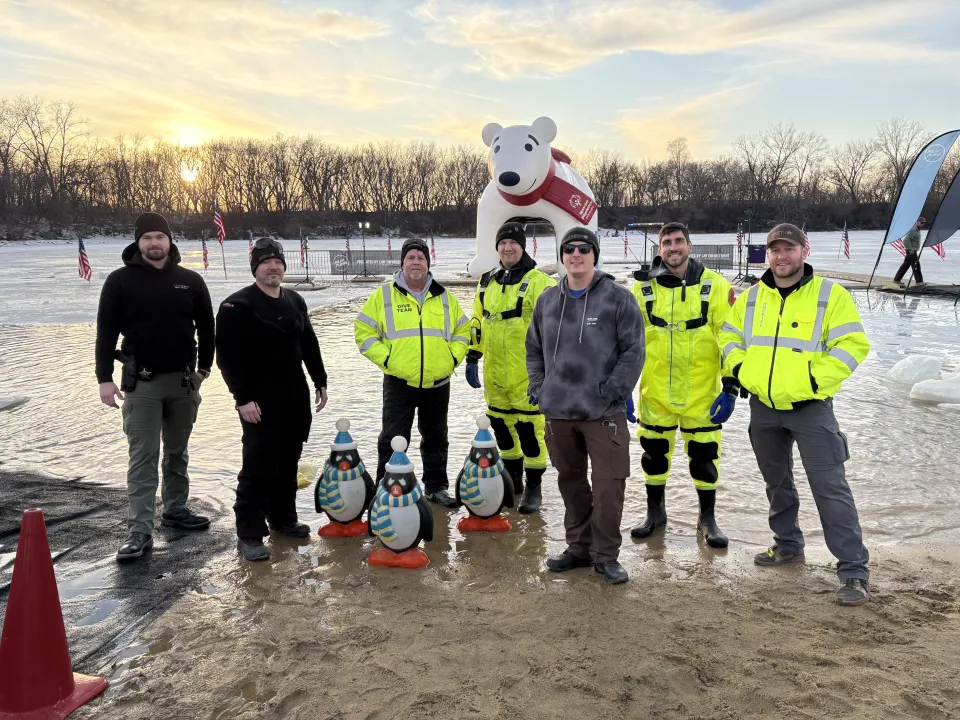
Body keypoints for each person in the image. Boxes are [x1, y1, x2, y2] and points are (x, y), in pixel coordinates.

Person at [719, 223, 871, 606]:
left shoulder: (829, 295)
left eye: (788, 248)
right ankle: (787, 544)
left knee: (830, 488)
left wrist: (811, 379)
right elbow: (728, 336)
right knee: (777, 483)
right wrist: (742, 370)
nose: (781, 256)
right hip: (764, 408)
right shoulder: (751, 298)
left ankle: (853, 571)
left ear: (804, 251)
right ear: (768, 255)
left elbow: (853, 344)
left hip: (811, 408)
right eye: (775, 249)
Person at [526, 227, 645, 584]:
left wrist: (612, 392)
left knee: (609, 486)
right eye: (569, 249)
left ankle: (606, 555)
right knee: (571, 482)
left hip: (603, 413)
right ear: (562, 256)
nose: (575, 254)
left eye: (583, 248)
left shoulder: (618, 298)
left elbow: (634, 351)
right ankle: (578, 548)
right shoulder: (547, 300)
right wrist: (540, 387)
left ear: (594, 254)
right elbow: (533, 349)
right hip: (558, 412)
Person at [95, 212, 215, 561]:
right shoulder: (120, 281)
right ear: (138, 242)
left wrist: (203, 370)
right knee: (143, 456)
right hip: (142, 384)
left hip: (183, 382)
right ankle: (140, 531)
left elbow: (207, 329)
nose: (154, 243)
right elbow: (106, 332)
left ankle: (176, 509)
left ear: (169, 240)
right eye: (147, 238)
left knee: (177, 451)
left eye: (160, 237)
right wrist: (104, 378)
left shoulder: (190, 281)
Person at [216, 238, 329, 561]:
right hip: (258, 399)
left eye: (277, 262)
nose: (273, 267)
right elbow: (227, 358)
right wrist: (242, 399)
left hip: (294, 394)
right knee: (258, 463)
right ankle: (249, 533)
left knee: (288, 460)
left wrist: (320, 380)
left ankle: (282, 518)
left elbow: (309, 343)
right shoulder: (236, 306)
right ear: (255, 268)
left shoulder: (295, 300)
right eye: (265, 262)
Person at [628, 222, 734, 548]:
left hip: (702, 394)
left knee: (704, 457)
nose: (673, 248)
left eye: (678, 241)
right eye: (666, 243)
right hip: (655, 391)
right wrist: (622, 388)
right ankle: (655, 514)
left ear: (689, 246)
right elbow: (627, 342)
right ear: (660, 249)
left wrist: (731, 385)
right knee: (653, 456)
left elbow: (730, 338)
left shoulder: (716, 286)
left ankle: (707, 518)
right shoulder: (642, 289)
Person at [354, 238, 470, 508]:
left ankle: (436, 488)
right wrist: (388, 360)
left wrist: (452, 359)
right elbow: (363, 331)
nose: (416, 262)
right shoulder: (384, 295)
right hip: (399, 381)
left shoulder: (444, 297)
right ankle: (386, 489)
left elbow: (463, 330)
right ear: (402, 263)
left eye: (421, 258)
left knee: (436, 437)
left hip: (437, 381)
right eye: (411, 258)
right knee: (393, 438)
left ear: (428, 263)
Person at [465, 222, 556, 514]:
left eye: (513, 243)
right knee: (501, 427)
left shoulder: (540, 282)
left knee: (529, 430)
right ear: (497, 247)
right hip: (494, 372)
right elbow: (477, 321)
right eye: (503, 243)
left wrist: (552, 371)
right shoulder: (486, 282)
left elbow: (555, 328)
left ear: (523, 246)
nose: (508, 248)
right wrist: (472, 356)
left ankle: (534, 486)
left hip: (528, 374)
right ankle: (513, 480)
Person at [893, 217, 925, 286]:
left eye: (923, 223)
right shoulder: (913, 230)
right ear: (917, 222)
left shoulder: (917, 230)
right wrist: (910, 249)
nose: (922, 224)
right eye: (921, 223)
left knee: (905, 266)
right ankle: (919, 282)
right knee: (916, 266)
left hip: (912, 251)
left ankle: (897, 280)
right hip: (911, 251)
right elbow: (906, 240)